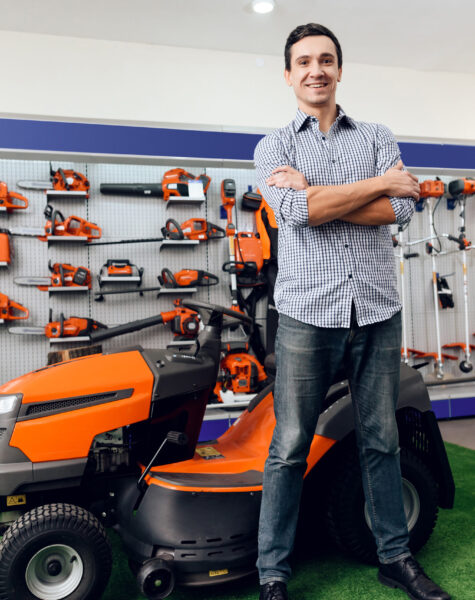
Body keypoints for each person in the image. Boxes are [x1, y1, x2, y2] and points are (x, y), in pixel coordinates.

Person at [254, 23, 451, 600]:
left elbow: (400, 211)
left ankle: (394, 556)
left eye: (326, 60)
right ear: (289, 74)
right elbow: (293, 213)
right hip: (306, 315)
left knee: (381, 440)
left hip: (375, 311)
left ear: (340, 69)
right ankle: (273, 572)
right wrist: (374, 185)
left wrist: (321, 195)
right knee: (289, 445)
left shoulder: (377, 135)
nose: (316, 69)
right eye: (304, 61)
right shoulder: (274, 146)